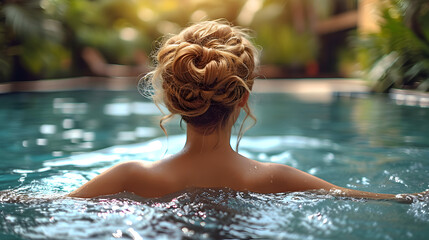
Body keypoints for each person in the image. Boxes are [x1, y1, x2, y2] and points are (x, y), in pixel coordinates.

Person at [68, 20, 426, 202]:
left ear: (173, 100)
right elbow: (391, 200)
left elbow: (33, 202)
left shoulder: (129, 177)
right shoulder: (276, 179)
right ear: (243, 97)